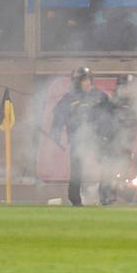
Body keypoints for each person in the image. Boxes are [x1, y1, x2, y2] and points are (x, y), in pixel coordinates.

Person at [50, 67, 113, 207]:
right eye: (84, 80)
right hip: (78, 139)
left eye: (89, 80)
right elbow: (58, 115)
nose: (88, 83)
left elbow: (111, 113)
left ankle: (105, 195)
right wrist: (55, 132)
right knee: (77, 170)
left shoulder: (100, 95)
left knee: (107, 164)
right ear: (77, 82)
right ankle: (75, 199)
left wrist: (109, 133)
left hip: (98, 137)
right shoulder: (69, 98)